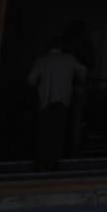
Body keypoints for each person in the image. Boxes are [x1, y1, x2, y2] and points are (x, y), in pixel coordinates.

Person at [28, 37, 87, 172]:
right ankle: (54, 162)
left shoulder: (42, 61)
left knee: (43, 133)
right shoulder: (68, 59)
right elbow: (83, 70)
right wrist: (79, 83)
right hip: (62, 101)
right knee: (58, 133)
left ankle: (42, 162)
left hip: (45, 102)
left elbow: (31, 80)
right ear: (61, 47)